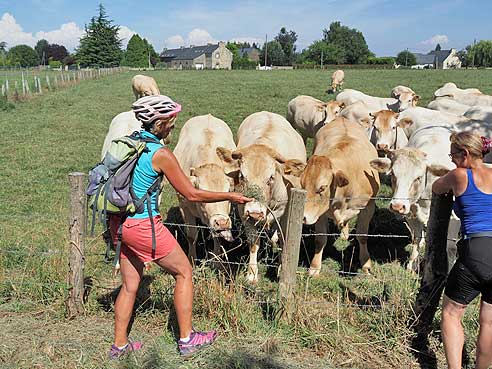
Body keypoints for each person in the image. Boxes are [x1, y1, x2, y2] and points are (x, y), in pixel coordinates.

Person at [108, 95, 252, 359]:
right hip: (144, 225)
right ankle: (187, 340)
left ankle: (119, 347)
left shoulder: (130, 143)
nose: (173, 126)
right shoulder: (161, 153)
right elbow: (191, 194)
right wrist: (231, 196)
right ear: (160, 122)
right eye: (171, 122)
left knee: (130, 285)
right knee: (184, 271)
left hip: (121, 223)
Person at [432, 131, 492, 369]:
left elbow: (437, 188)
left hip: (476, 249)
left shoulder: (459, 175)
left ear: (465, 154)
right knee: (488, 321)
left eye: (453, 155)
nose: (452, 160)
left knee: (451, 313)